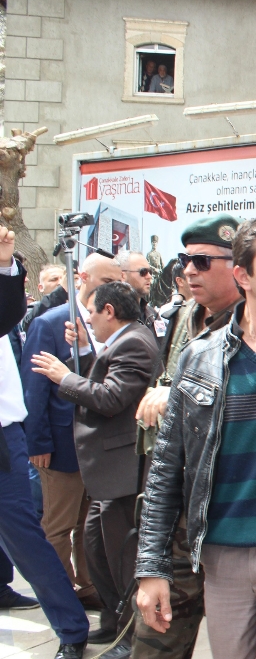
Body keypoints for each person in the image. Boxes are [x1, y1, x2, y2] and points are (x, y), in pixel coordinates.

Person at [136, 217, 256, 658]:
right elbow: (166, 470)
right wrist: (152, 570)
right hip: (220, 557)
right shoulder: (200, 355)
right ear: (243, 275)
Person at [131, 214, 243, 659]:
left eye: (201, 261)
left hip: (234, 525)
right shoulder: (184, 317)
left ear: (238, 267)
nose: (189, 271)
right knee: (156, 643)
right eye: (184, 261)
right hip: (182, 515)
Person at [31, 282, 159, 659]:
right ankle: (114, 622)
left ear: (108, 311)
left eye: (90, 312)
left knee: (121, 557)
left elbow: (110, 397)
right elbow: (105, 376)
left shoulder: (135, 341)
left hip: (124, 472)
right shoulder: (122, 341)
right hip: (108, 473)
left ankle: (131, 637)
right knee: (97, 548)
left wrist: (62, 376)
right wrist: (86, 352)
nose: (86, 319)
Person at [0, 225, 92, 659]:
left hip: (3, 439)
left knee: (26, 538)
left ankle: (72, 630)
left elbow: (6, 310)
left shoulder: (10, 307)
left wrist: (3, 261)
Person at [21, 253, 122, 616]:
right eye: (108, 278)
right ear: (81, 277)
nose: (115, 285)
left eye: (118, 279)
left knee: (86, 523)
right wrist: (38, 442)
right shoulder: (50, 322)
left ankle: (86, 586)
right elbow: (34, 387)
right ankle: (63, 598)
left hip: (92, 445)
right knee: (58, 526)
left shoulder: (108, 323)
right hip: (60, 447)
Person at [119, 250, 164, 344]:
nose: (149, 276)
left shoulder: (152, 314)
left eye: (150, 271)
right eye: (143, 272)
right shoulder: (113, 315)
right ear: (122, 275)